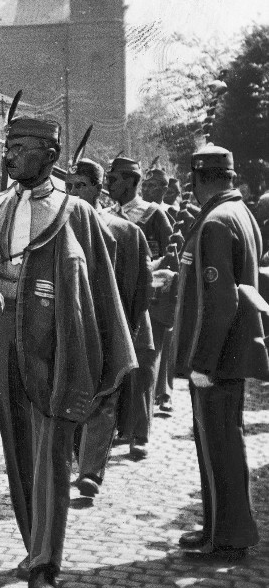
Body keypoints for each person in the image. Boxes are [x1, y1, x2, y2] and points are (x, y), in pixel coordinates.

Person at [0, 117, 136, 588]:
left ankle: (45, 562)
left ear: (51, 156)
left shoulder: (75, 212)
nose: (9, 155)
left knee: (53, 446)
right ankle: (31, 543)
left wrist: (101, 347)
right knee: (17, 444)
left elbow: (100, 280)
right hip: (0, 331)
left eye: (20, 147)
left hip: (55, 335)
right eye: (7, 147)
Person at [172, 145, 269, 562]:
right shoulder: (241, 213)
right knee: (225, 443)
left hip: (219, 356)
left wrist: (203, 362)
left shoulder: (214, 221)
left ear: (199, 178)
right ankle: (223, 526)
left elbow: (221, 302)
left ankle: (227, 535)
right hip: (235, 351)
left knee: (218, 447)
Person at [66, 159, 153, 499]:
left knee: (105, 395)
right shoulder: (57, 228)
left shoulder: (125, 231)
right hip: (69, 326)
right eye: (70, 187)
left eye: (81, 186)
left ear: (99, 189)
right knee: (71, 396)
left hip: (107, 325)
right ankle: (79, 457)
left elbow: (141, 286)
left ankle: (90, 473)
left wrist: (128, 326)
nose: (74, 193)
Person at [106, 156, 173, 457]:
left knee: (145, 366)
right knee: (120, 365)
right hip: (116, 300)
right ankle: (124, 428)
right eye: (108, 178)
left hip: (149, 300)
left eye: (116, 179)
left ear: (132, 182)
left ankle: (141, 435)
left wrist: (156, 273)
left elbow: (173, 253)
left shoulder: (153, 214)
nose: (110, 184)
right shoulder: (105, 215)